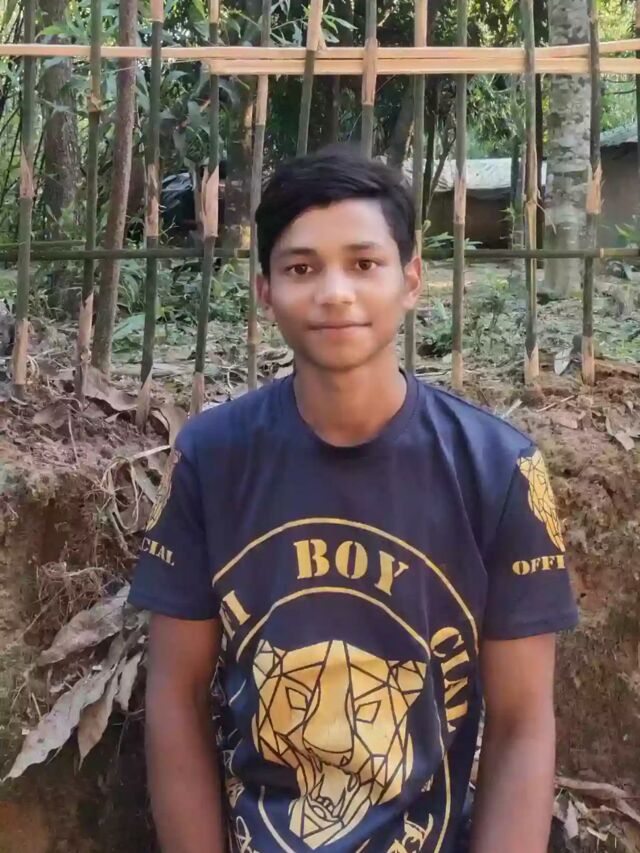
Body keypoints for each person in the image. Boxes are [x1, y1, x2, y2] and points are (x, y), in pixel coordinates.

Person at [129, 145, 578, 853]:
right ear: (264, 290)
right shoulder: (212, 459)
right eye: (301, 268)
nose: (335, 292)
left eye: (364, 264)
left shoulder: (499, 469)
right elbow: (175, 698)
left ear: (411, 280)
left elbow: (522, 724)